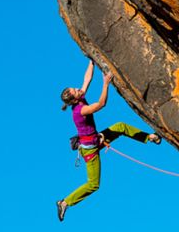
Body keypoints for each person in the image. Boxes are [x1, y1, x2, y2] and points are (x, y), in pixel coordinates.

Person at [56, 61, 161, 221]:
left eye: (75, 88)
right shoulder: (80, 110)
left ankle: (149, 137)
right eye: (75, 91)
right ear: (74, 99)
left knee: (120, 127)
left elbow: (87, 79)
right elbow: (101, 104)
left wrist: (91, 60)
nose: (78, 89)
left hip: (95, 139)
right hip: (90, 151)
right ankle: (65, 202)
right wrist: (106, 84)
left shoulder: (79, 98)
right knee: (93, 184)